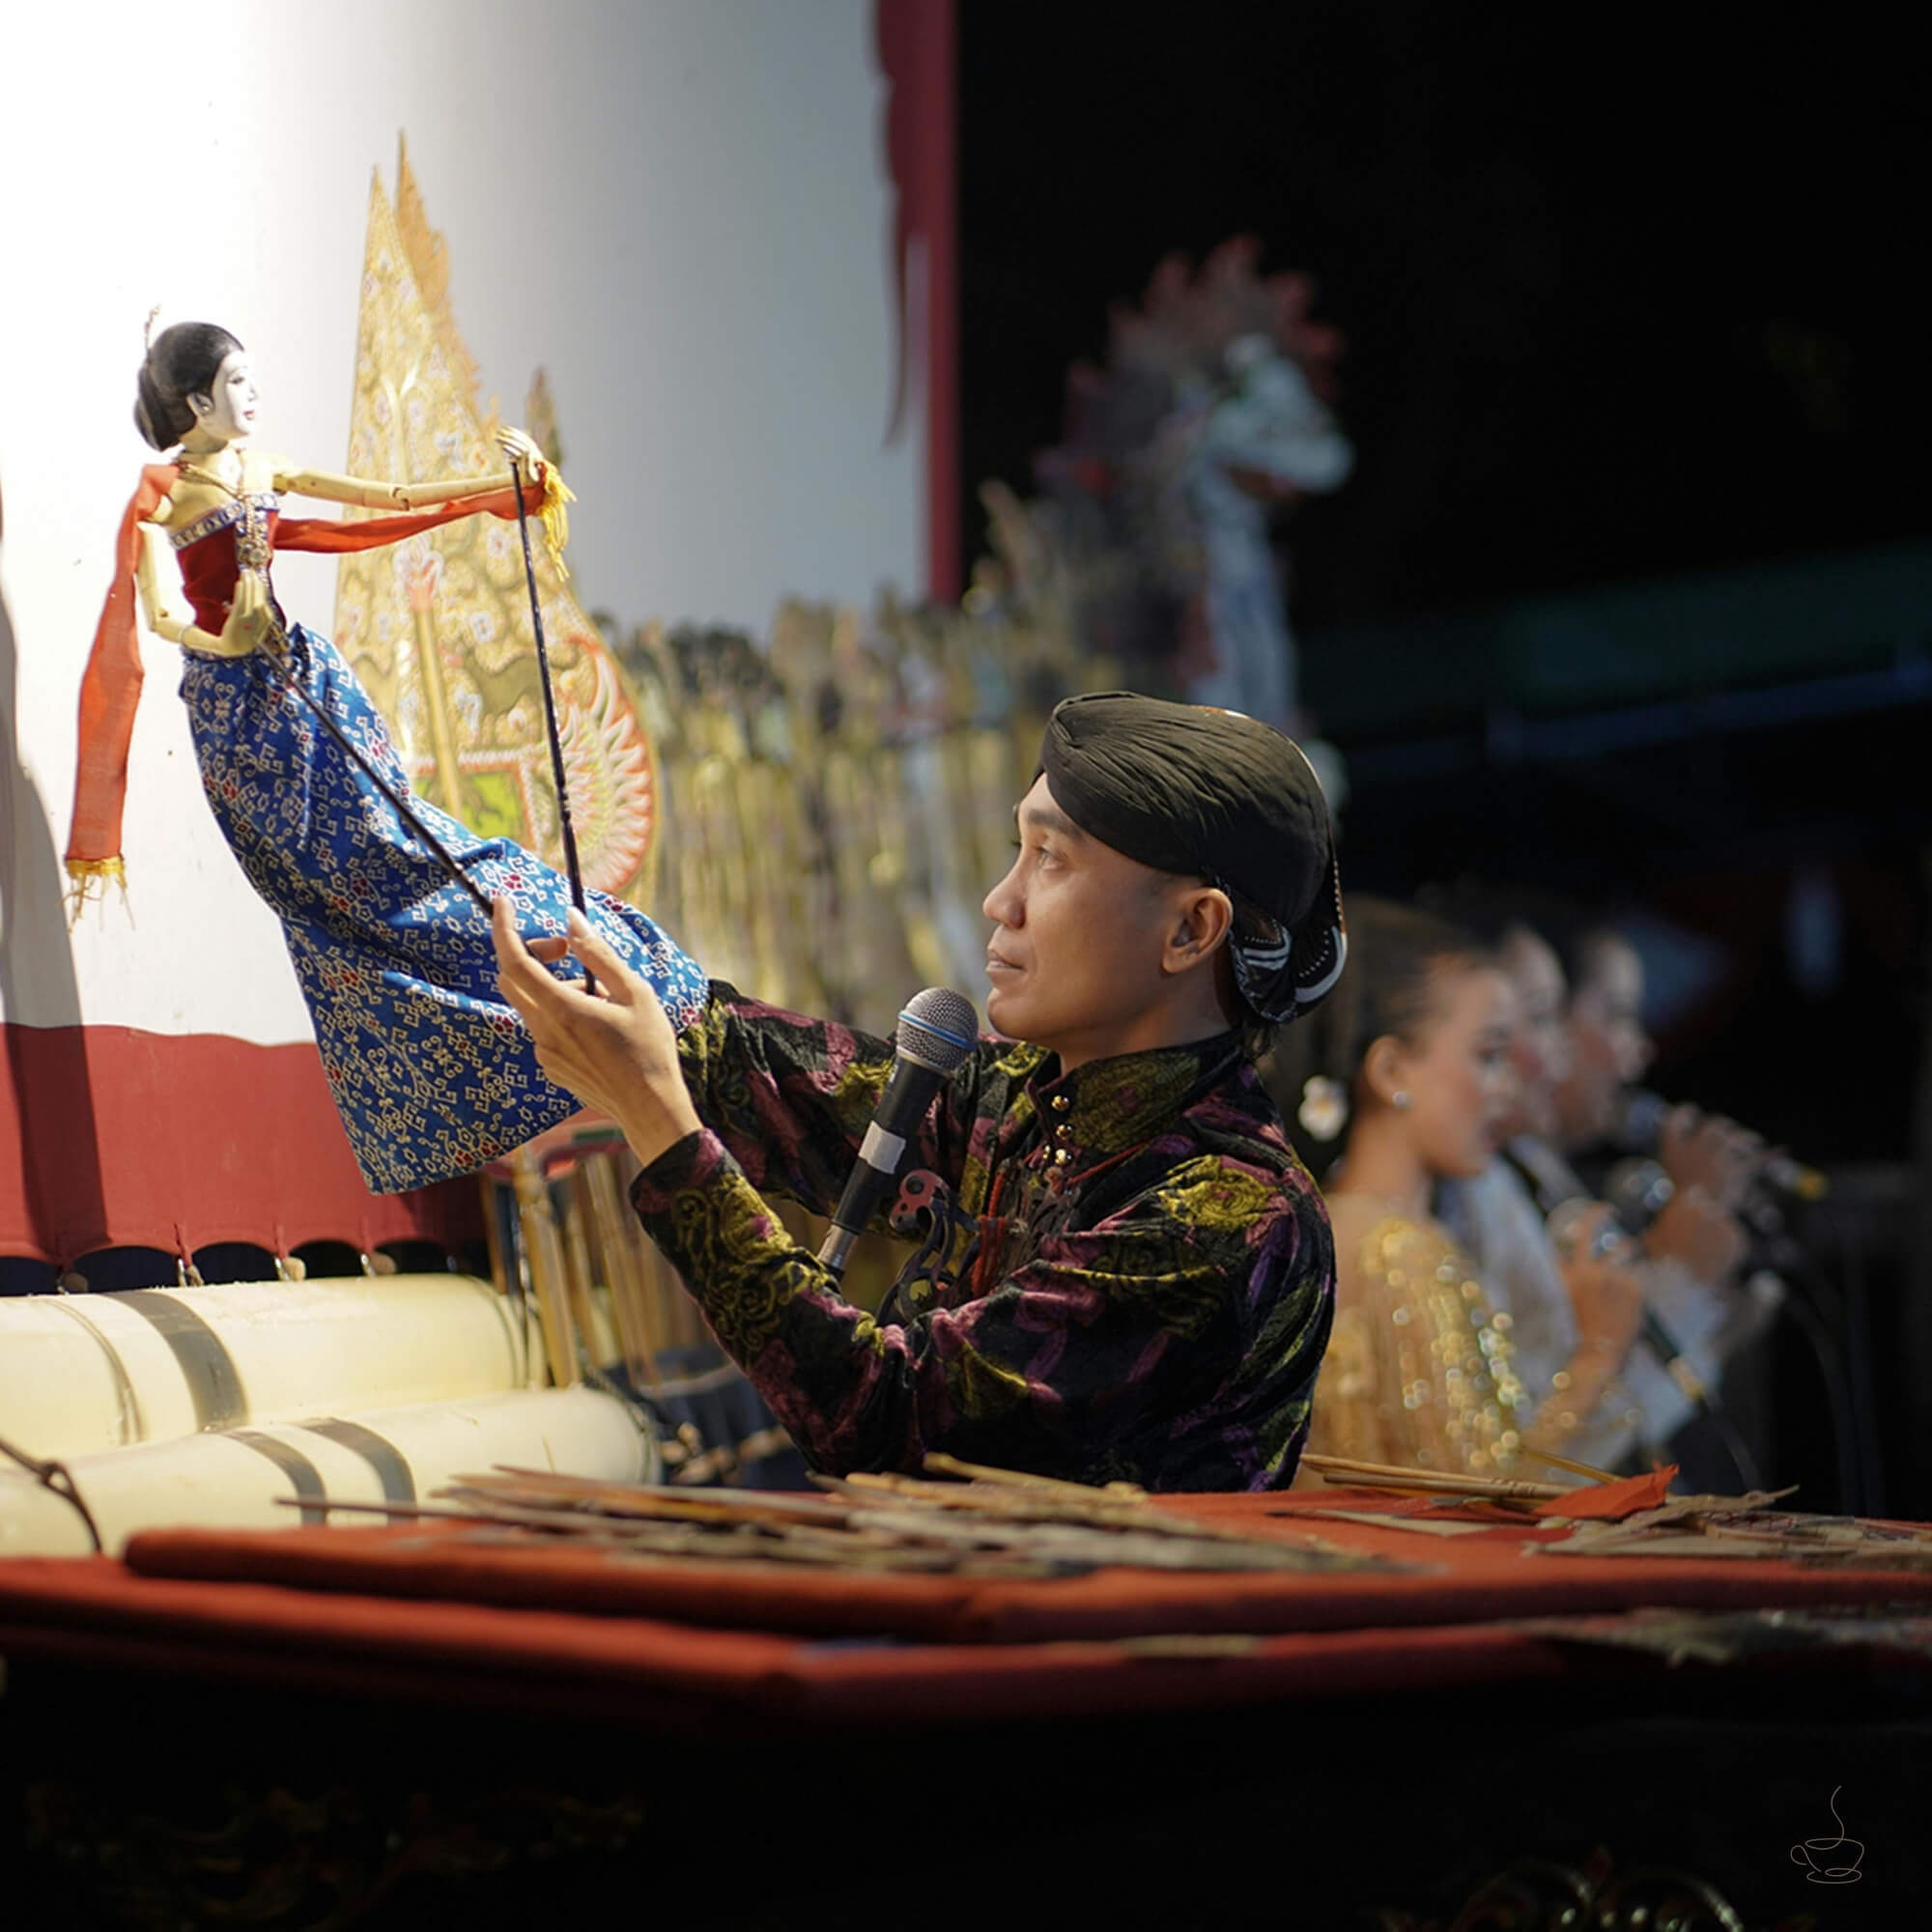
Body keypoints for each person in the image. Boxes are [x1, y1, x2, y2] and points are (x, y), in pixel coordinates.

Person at [495, 693, 1346, 1490]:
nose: (1000, 900)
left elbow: (889, 1419)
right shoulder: (1011, 1102)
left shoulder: (1229, 1214)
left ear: (1190, 929)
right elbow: (746, 1063)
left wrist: (658, 1123)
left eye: (1050, 860)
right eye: (1020, 850)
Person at [69, 321, 708, 1194]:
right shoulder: (167, 499)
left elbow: (388, 497)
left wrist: (497, 487)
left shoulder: (261, 471)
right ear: (196, 402)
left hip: (309, 683)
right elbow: (157, 615)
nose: (254, 395)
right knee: (337, 910)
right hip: (242, 720)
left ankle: (587, 967)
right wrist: (223, 640)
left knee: (412, 849)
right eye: (238, 380)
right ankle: (452, 1076)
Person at [1271, 899, 1644, 1476]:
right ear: (1393, 1071)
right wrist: (1600, 1351)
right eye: (1487, 1056)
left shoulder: (1325, 1227)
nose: (1505, 1087)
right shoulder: (1404, 1252)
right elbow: (1490, 1503)